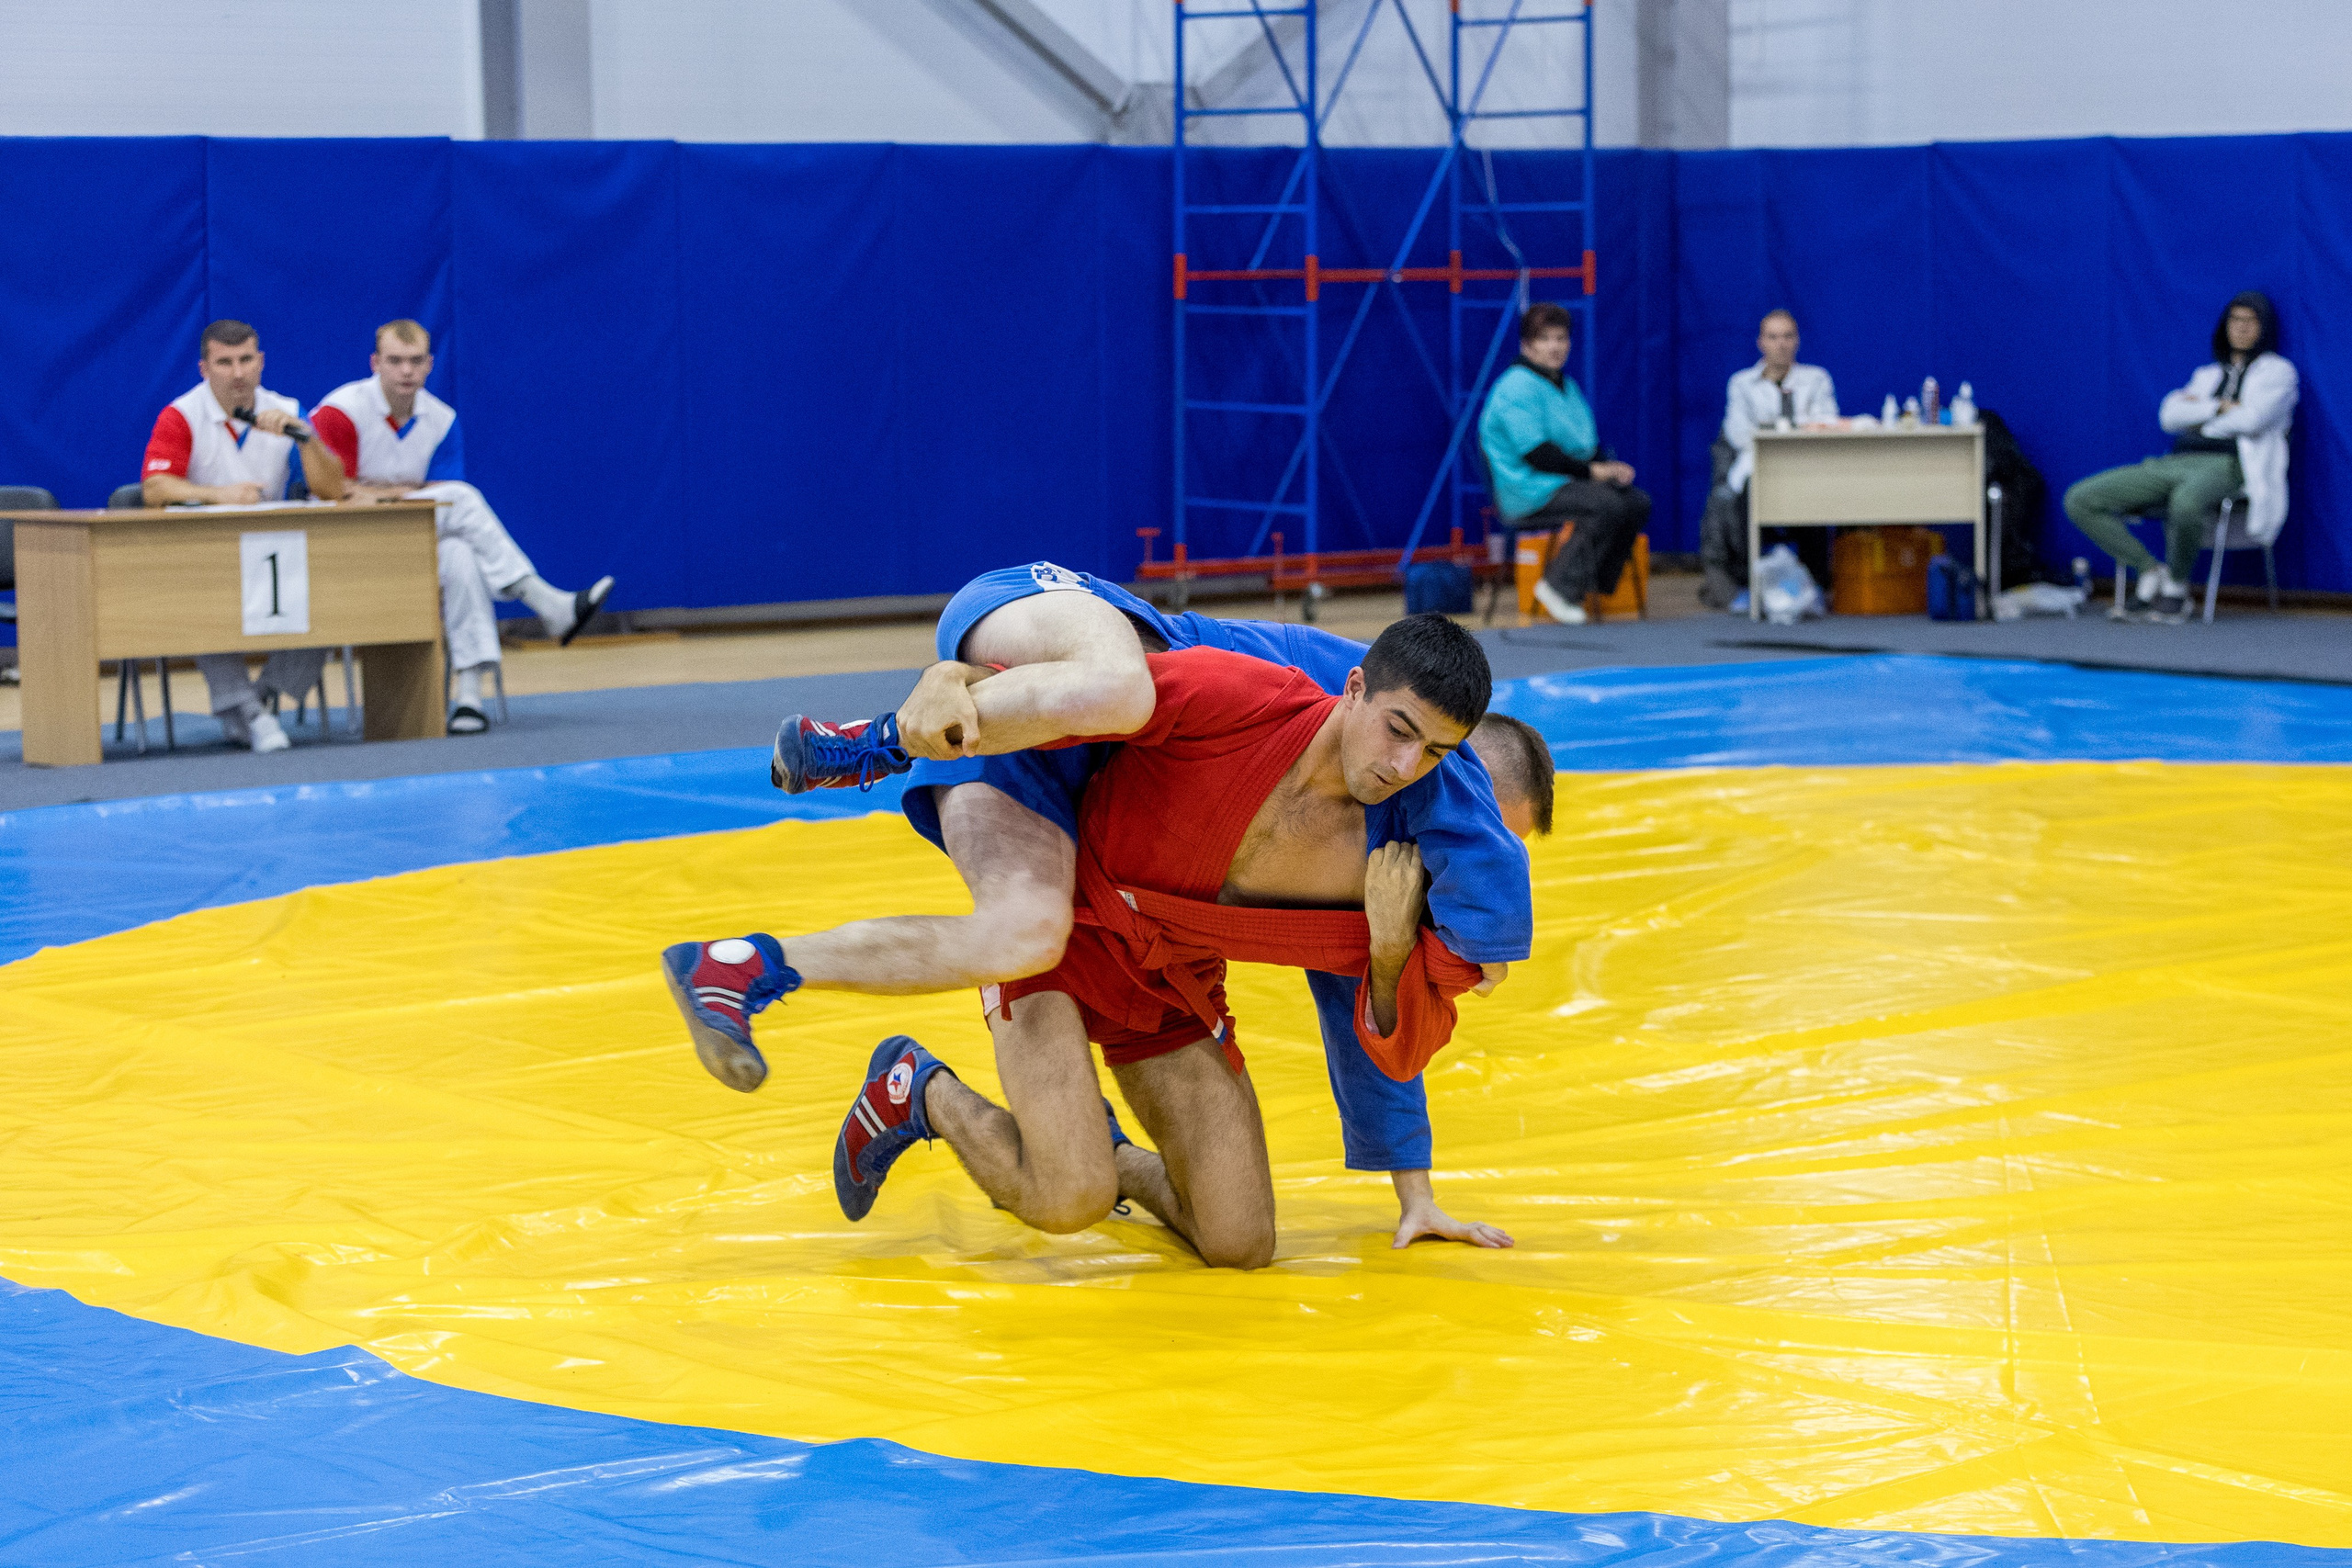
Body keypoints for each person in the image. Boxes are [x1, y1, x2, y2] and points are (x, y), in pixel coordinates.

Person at [664, 563, 1538, 1247]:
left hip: (1151, 940)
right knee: (1029, 933)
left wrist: (1413, 1186)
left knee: (1236, 1238)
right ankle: (830, 834)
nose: (1463, 842)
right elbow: (1097, 706)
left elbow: (1372, 1016)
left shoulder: (1390, 857)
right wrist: (954, 681)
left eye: (1433, 757)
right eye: (1486, 823)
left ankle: (1061, 1139)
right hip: (1053, 705)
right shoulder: (1273, 689)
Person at [312, 321, 614, 734]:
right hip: (346, 543)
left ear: (430, 364)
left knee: (460, 555)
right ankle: (546, 601)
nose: (406, 371)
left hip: (413, 540)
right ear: (375, 363)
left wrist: (380, 491)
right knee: (464, 498)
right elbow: (335, 492)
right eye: (395, 361)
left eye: (415, 361)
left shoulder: (441, 420)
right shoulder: (340, 411)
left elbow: (434, 492)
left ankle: (468, 697)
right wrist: (401, 491)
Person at [141, 320, 345, 753]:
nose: (237, 373)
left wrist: (306, 440)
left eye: (246, 360)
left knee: (331, 590)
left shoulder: (286, 409)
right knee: (198, 598)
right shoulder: (182, 415)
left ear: (261, 362)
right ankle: (249, 712)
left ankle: (263, 698)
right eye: (225, 362)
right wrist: (219, 495)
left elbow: (332, 490)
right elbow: (155, 488)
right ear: (204, 368)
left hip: (273, 553)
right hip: (203, 556)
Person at [2064, 292, 2298, 624]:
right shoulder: (2207, 375)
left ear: (2265, 328)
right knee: (2081, 499)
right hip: (2179, 460)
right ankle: (2149, 569)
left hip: (2233, 465)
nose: (2242, 328)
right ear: (2224, 326)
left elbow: (2253, 420)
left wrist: (2200, 416)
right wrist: (2218, 407)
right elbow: (2169, 416)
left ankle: (2175, 587)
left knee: (2186, 501)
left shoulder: (2279, 372)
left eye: (2251, 321)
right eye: (2235, 320)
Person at [1476, 302, 1648, 626]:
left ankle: (1593, 585)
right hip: (1527, 487)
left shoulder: (1566, 386)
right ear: (1527, 345)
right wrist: (1594, 472)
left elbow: (1585, 447)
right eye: (1545, 339)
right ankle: (1559, 588)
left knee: (1636, 502)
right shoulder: (1515, 386)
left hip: (1563, 481)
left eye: (1561, 338)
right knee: (1606, 504)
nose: (1555, 347)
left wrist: (1609, 467)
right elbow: (1537, 454)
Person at [1700, 310, 1839, 609]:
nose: (1781, 344)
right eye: (1773, 337)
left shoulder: (1816, 379)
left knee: (1817, 493)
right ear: (1761, 342)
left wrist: (1773, 430)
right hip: (1756, 469)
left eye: (1788, 336)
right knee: (1744, 496)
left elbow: (1825, 424)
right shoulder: (1741, 383)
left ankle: (1814, 582)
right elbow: (1739, 435)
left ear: (1797, 341)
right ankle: (1750, 584)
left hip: (1805, 469)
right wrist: (1794, 430)